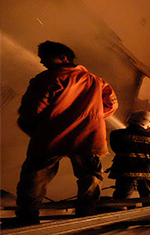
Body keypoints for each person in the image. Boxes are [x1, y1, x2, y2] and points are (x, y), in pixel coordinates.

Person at [15, 41, 118, 223]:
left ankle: (27, 216)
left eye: (45, 57)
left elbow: (33, 109)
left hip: (51, 134)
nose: (41, 62)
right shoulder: (96, 80)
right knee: (91, 175)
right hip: (89, 136)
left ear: (64, 58)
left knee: (35, 176)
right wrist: (91, 117)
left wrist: (30, 126)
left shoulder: (47, 78)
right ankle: (86, 213)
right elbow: (111, 104)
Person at [108, 110, 150, 204]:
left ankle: (118, 213)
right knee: (148, 198)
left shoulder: (116, 134)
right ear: (148, 123)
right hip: (146, 171)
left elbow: (115, 148)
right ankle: (148, 215)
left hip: (123, 169)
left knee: (121, 198)